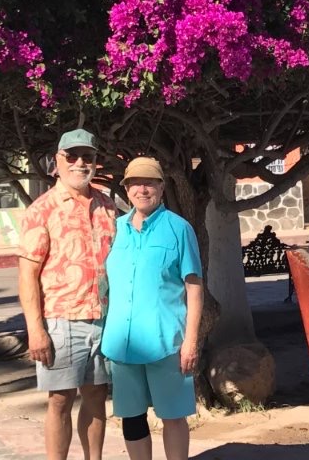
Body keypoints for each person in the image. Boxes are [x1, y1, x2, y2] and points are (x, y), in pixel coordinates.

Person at [18, 128, 118, 460]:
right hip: (61, 321)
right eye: (71, 156)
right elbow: (28, 273)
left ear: (95, 161)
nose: (79, 163)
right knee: (59, 399)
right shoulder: (41, 210)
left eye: (87, 157)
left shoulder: (107, 206)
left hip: (103, 319)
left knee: (96, 396)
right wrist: (36, 330)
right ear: (57, 161)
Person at [101, 157, 204, 460]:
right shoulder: (114, 229)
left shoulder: (178, 229)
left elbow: (194, 286)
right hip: (122, 344)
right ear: (126, 188)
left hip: (166, 342)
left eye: (149, 182)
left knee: (172, 416)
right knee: (132, 418)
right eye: (135, 183)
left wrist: (191, 341)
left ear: (161, 186)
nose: (142, 189)